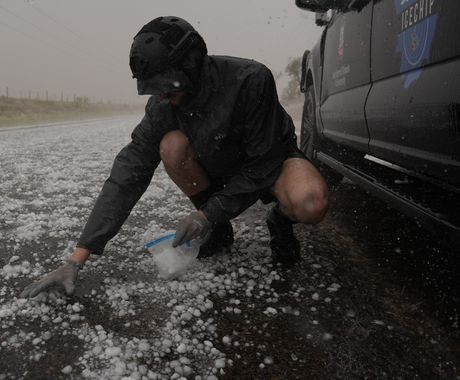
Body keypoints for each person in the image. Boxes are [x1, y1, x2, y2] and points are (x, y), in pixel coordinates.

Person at [21, 16, 329, 298]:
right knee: (171, 145)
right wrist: (77, 258)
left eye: (167, 86)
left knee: (311, 202)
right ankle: (219, 232)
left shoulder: (251, 79)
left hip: (271, 164)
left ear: (192, 63)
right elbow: (128, 174)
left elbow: (263, 163)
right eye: (155, 89)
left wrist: (206, 214)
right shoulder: (162, 107)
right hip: (218, 167)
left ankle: (280, 219)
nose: (162, 96)